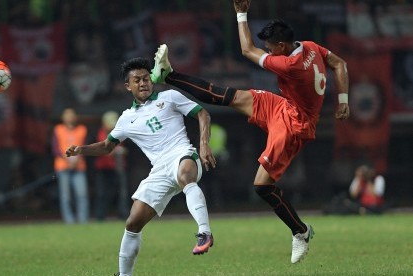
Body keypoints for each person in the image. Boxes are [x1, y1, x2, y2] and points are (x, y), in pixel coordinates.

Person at [150, 0, 350, 263]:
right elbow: (340, 64)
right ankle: (169, 75)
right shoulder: (311, 47)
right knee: (226, 96)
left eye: (270, 48)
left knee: (261, 185)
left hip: (294, 125)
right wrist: (344, 100)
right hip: (284, 106)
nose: (268, 51)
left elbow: (247, 49)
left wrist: (241, 13)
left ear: (281, 47)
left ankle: (300, 231)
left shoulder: (288, 65)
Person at [66, 57, 216, 275]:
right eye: (137, 80)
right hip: (159, 170)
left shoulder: (170, 97)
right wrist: (82, 150)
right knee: (132, 223)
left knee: (185, 176)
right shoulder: (126, 119)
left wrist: (203, 145)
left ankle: (205, 232)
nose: (143, 83)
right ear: (128, 86)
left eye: (146, 78)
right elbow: (107, 146)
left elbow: (203, 113)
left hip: (183, 154)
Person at [52, 108, 89, 224]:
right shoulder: (58, 129)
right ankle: (69, 221)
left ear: (75, 117)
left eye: (71, 115)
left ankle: (83, 220)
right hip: (63, 167)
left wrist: (77, 159)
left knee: (82, 194)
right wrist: (67, 160)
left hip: (79, 167)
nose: (69, 117)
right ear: (63, 118)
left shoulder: (82, 130)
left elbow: (86, 146)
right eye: (67, 115)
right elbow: (55, 148)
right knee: (65, 197)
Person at [93, 110, 129, 221]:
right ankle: (100, 216)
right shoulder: (98, 134)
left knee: (122, 193)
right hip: (103, 168)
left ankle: (123, 215)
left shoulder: (121, 133)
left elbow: (128, 150)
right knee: (102, 193)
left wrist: (122, 151)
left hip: (118, 167)